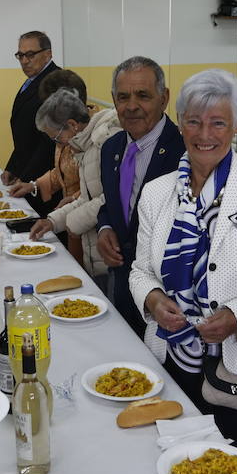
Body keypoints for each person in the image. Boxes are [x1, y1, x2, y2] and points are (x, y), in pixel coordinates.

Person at [130, 69, 237, 465]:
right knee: (174, 461)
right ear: (180, 122)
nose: (204, 133)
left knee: (235, 467)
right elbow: (140, 270)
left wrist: (235, 317)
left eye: (218, 122)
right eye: (193, 121)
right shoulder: (158, 192)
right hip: (172, 356)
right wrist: (155, 301)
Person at [96, 56, 185, 332]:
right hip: (123, 285)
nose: (131, 106)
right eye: (123, 97)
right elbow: (113, 204)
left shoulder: (185, 152)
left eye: (143, 95)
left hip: (168, 300)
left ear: (164, 98)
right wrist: (105, 226)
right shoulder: (111, 148)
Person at [27, 86, 122, 280]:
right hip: (96, 252)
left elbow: (113, 196)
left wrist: (75, 220)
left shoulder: (106, 140)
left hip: (113, 252)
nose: (58, 144)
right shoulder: (84, 145)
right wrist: (52, 221)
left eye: (56, 138)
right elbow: (87, 198)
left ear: (72, 125)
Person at [9, 70, 92, 261]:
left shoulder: (92, 136)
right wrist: (34, 185)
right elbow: (62, 171)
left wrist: (74, 198)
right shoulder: (65, 129)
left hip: (85, 222)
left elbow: (98, 185)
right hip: (69, 218)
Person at [3, 30, 59, 214]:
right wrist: (13, 167)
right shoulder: (32, 80)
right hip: (28, 174)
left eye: (30, 55)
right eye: (20, 55)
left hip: (44, 180)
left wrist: (26, 178)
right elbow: (25, 135)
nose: (24, 61)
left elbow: (48, 141)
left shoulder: (55, 82)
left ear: (48, 53)